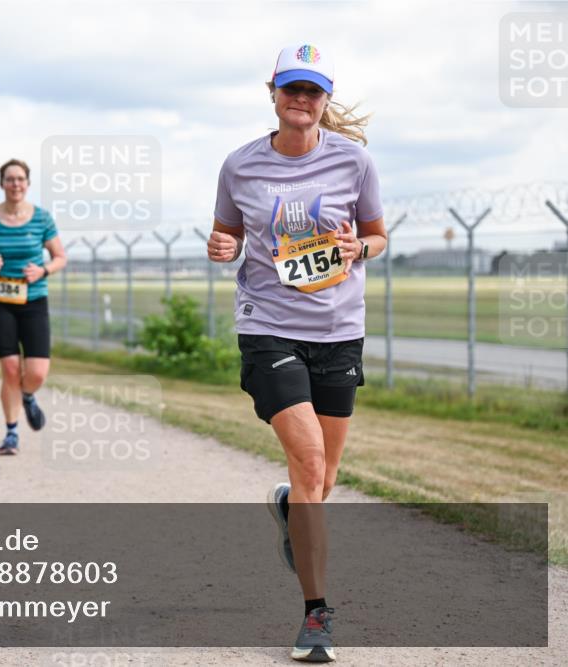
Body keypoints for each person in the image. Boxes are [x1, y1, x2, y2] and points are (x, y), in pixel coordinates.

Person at [208, 43, 386, 663]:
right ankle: (316, 616)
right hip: (269, 328)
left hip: (338, 331)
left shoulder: (354, 161)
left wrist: (360, 248)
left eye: (313, 90)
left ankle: (290, 507)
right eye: (292, 88)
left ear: (325, 99)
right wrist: (222, 248)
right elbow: (228, 235)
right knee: (309, 464)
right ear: (274, 93)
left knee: (321, 481)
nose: (301, 99)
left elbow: (377, 235)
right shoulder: (240, 165)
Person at [0, 159, 67, 455]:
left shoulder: (42, 218)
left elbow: (60, 257)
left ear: (28, 183)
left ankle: (27, 395)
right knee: (10, 368)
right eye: (10, 179)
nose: (15, 184)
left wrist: (43, 270)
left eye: (20, 179)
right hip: (0, 301)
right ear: (2, 184)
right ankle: (11, 433)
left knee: (37, 373)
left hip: (34, 299)